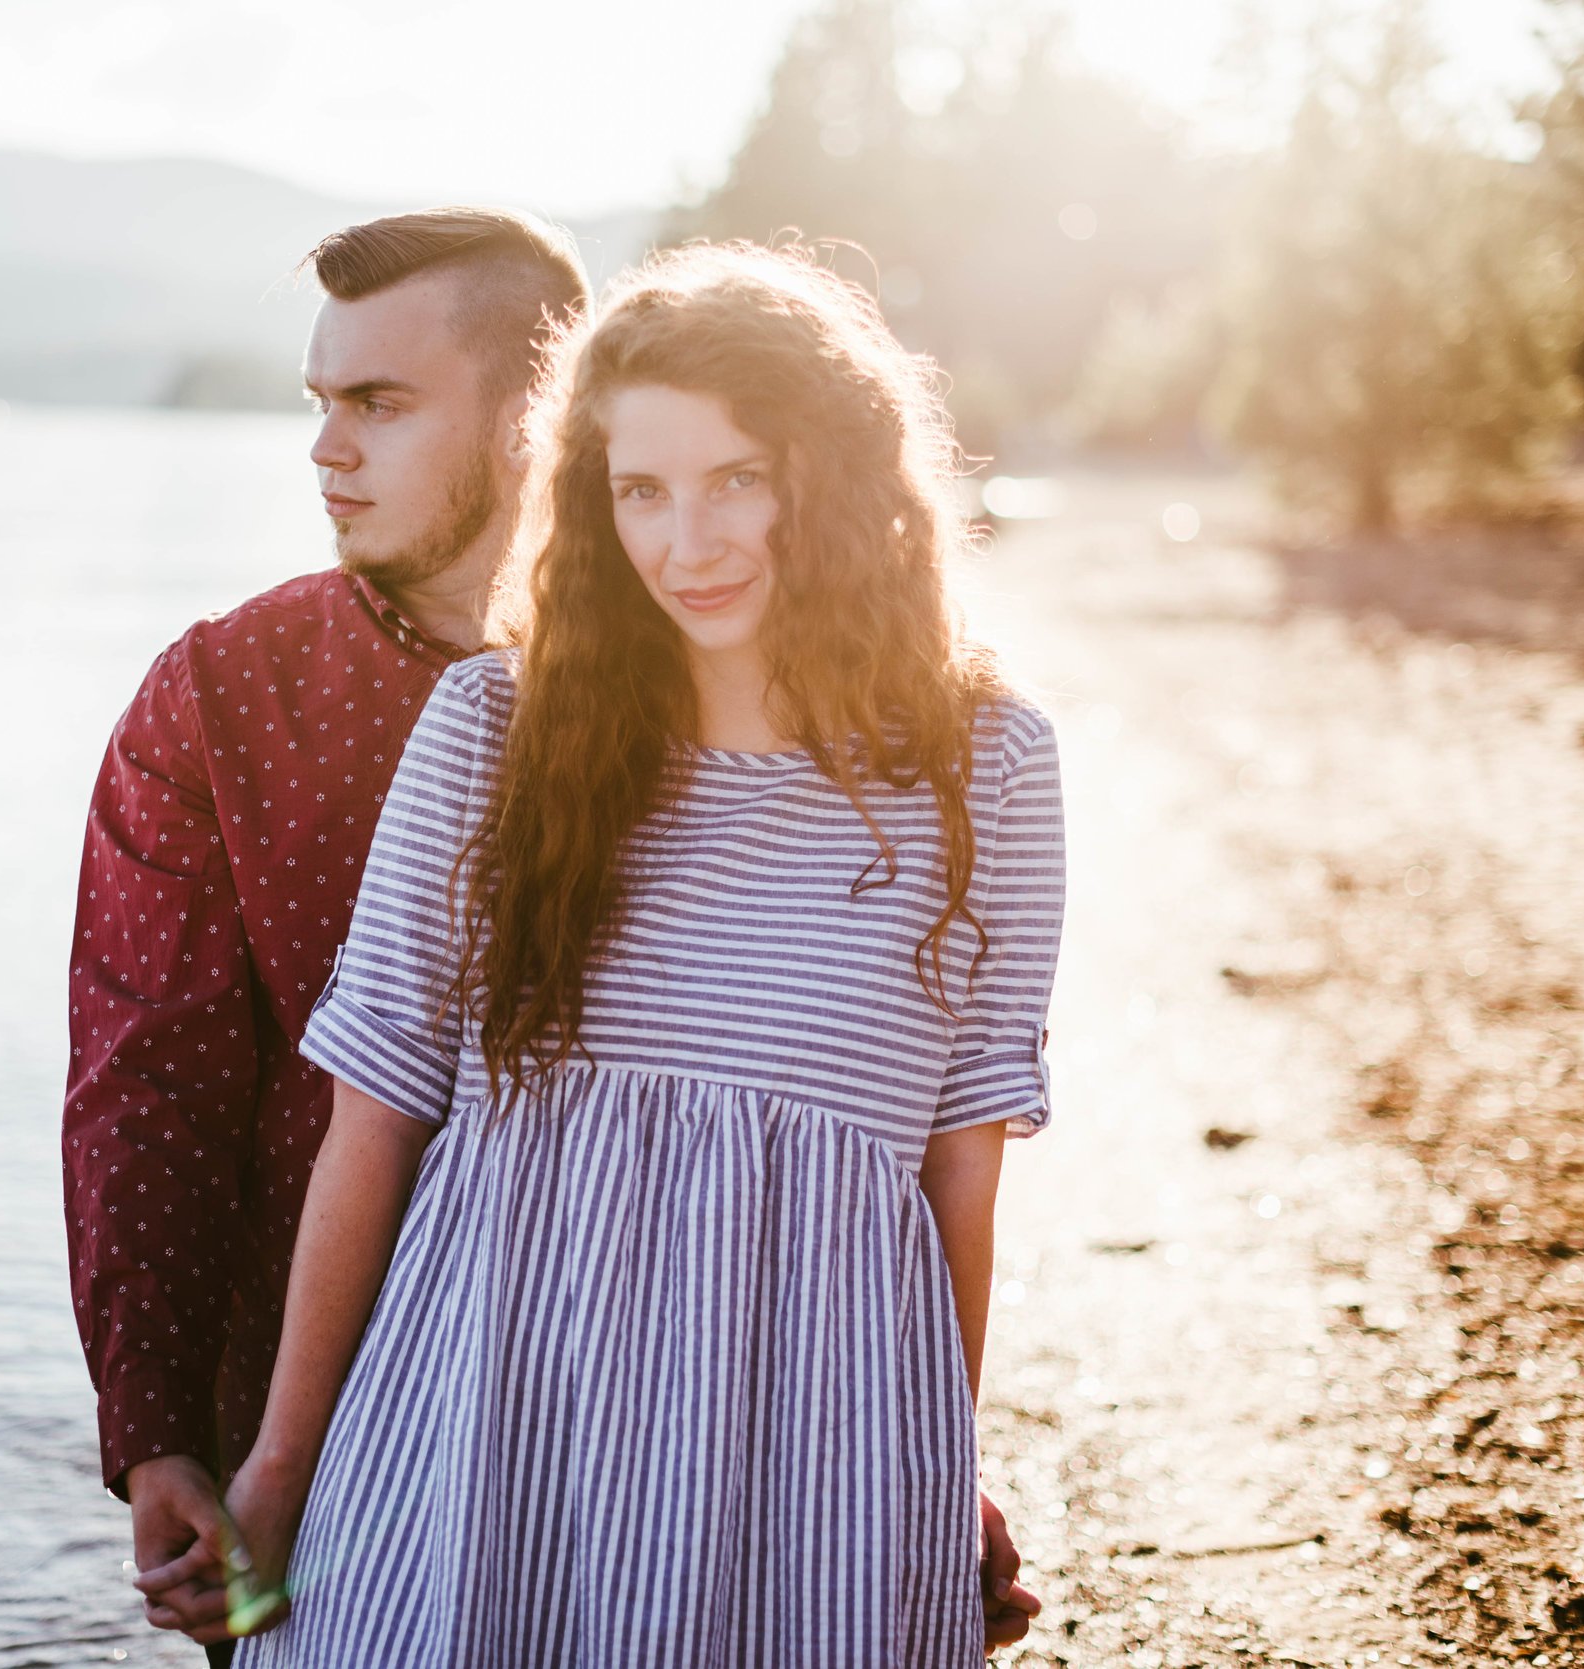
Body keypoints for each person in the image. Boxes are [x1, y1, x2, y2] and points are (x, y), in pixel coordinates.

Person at [219, 242, 1064, 1666]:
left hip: (812, 1460)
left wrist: (938, 1465)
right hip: (488, 1432)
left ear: (837, 476)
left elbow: (956, 1169)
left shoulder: (989, 768)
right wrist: (282, 1464)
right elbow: (374, 1123)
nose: (692, 541)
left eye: (740, 476)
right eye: (642, 491)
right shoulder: (495, 733)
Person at [61, 206, 587, 1665]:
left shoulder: (690, 690)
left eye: (379, 402)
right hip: (305, 1438)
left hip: (623, 1398)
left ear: (542, 407)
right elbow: (142, 1074)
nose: (325, 448)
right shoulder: (221, 698)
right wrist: (156, 1424)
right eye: (320, 402)